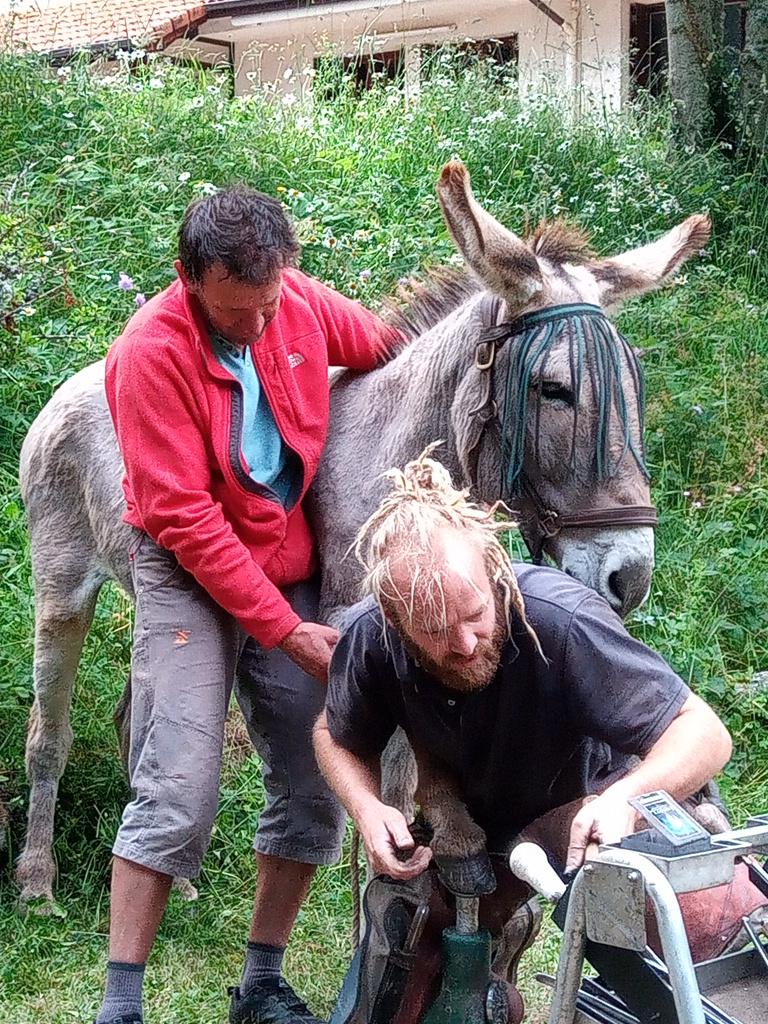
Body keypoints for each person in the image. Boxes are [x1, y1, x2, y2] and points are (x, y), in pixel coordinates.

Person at [99, 184, 397, 1024]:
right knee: (179, 787)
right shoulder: (148, 352)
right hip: (188, 572)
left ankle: (261, 984)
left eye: (267, 305)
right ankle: (121, 1005)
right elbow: (185, 518)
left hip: (286, 564)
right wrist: (286, 628)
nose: (258, 327)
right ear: (188, 279)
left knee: (314, 772)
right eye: (236, 314)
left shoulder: (293, 301)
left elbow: (390, 347)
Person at [313, 452, 761, 983]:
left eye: (476, 614)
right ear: (395, 618)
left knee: (706, 941)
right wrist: (366, 808)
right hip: (473, 825)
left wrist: (626, 799)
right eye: (434, 629)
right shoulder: (373, 636)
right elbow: (332, 734)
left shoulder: (563, 622)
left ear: (496, 574)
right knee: (410, 961)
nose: (464, 643)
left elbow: (705, 734)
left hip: (593, 806)